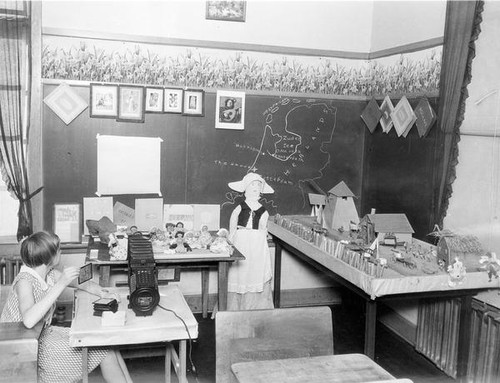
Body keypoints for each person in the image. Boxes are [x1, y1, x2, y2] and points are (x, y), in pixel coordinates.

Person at [0, 231, 131, 383]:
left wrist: (102, 292)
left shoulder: (49, 273)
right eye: (58, 250)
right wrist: (61, 283)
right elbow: (28, 321)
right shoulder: (25, 281)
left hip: (42, 337)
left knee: (109, 344)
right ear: (49, 257)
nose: (61, 252)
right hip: (25, 351)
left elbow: (80, 282)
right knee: (104, 350)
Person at [226, 172, 275, 310]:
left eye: (258, 185)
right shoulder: (240, 207)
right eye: (252, 185)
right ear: (246, 188)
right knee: (240, 270)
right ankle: (235, 307)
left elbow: (263, 228)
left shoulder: (263, 211)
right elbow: (232, 225)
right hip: (241, 241)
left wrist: (262, 238)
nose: (255, 188)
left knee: (255, 269)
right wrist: (231, 239)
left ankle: (256, 307)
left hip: (257, 243)